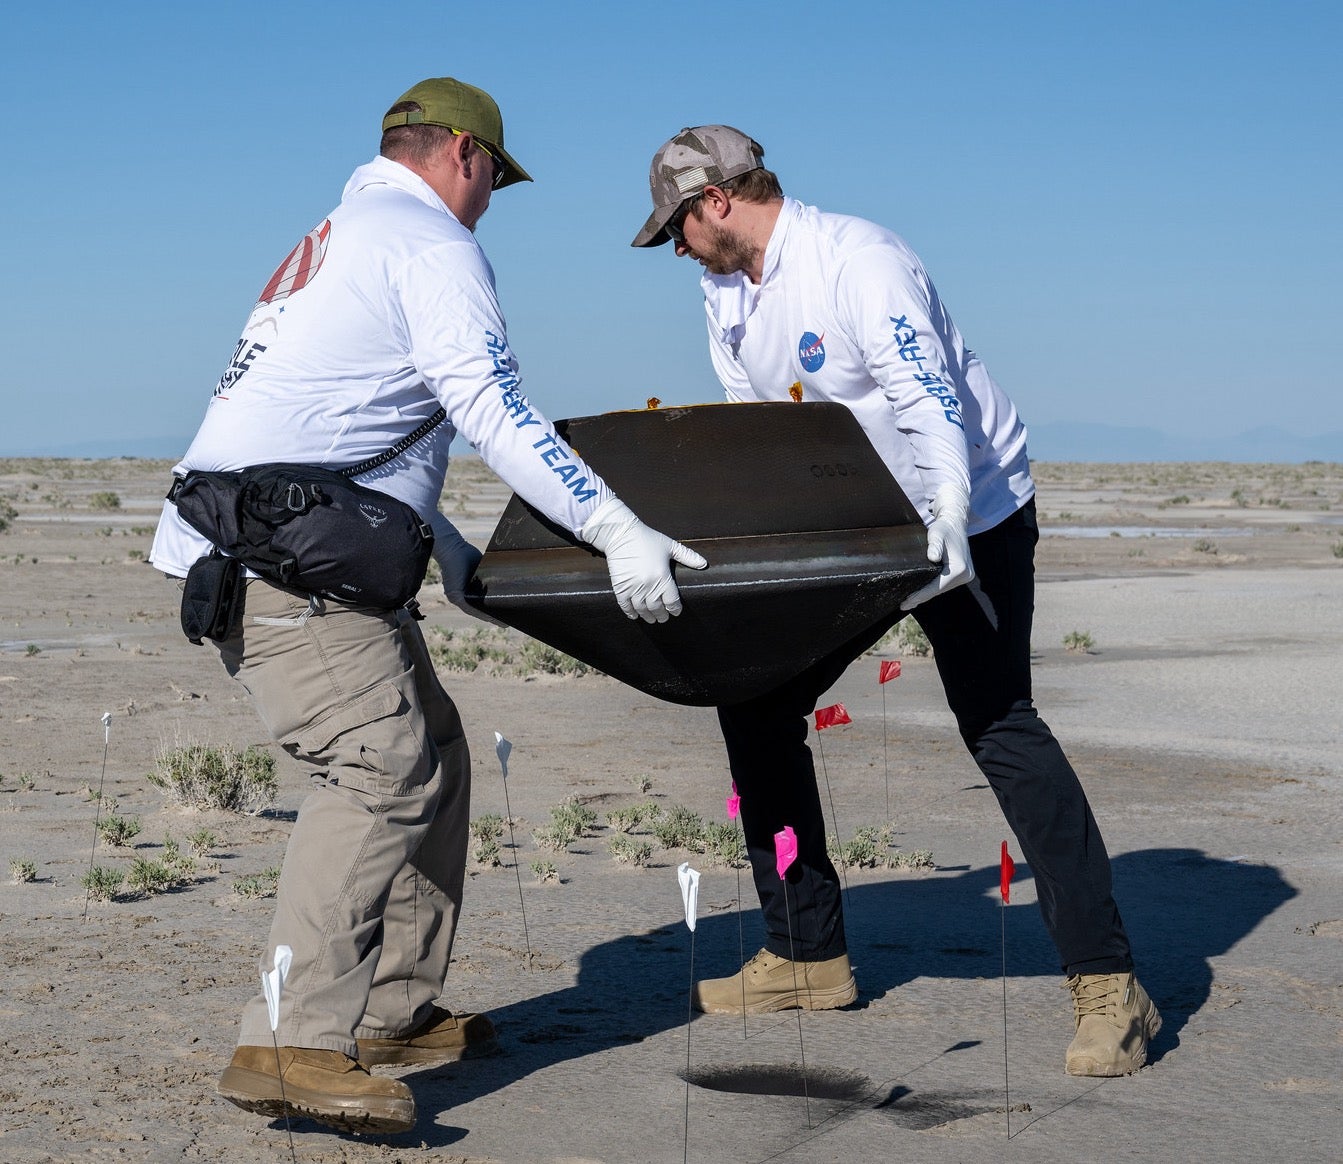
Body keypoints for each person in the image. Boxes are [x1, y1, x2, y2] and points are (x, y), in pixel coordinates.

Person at [149, 78, 705, 1136]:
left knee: (435, 751)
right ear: (461, 152)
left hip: (283, 552)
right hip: (294, 574)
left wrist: (444, 543)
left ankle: (398, 1007)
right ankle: (287, 1038)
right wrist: (617, 529)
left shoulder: (342, 235)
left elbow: (346, 420)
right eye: (494, 174)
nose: (491, 196)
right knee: (378, 772)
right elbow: (488, 405)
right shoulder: (427, 242)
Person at [631, 126, 1160, 1077]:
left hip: (973, 512)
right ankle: (805, 953)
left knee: (997, 723)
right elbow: (754, 431)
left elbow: (927, 397)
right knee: (754, 702)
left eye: (676, 225)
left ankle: (1110, 985)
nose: (675, 248)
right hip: (857, 526)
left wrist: (952, 515)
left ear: (716, 201)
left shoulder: (858, 262)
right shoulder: (723, 291)